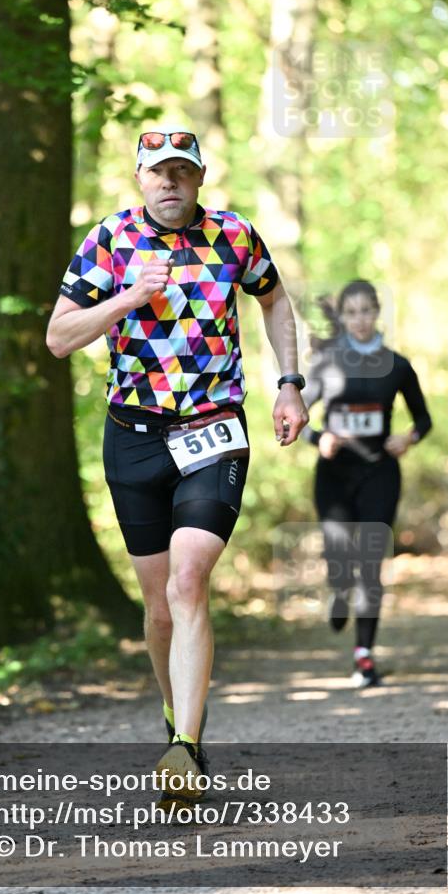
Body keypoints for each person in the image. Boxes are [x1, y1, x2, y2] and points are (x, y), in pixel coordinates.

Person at [46, 125, 308, 802]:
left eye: (180, 172)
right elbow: (57, 338)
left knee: (188, 581)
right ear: (139, 177)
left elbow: (274, 299)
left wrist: (289, 382)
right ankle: (175, 717)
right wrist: (129, 296)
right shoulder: (110, 241)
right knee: (159, 606)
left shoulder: (233, 236)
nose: (169, 183)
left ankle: (184, 750)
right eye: (156, 172)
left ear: (199, 178)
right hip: (132, 435)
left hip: (213, 429)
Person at [302, 280, 432, 687]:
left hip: (380, 474)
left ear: (377, 313)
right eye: (351, 312)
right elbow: (295, 416)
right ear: (342, 317)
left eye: (366, 311)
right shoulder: (327, 364)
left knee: (371, 562)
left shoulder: (397, 365)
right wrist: (318, 438)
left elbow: (423, 420)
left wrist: (406, 438)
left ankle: (364, 657)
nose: (360, 319)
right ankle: (338, 591)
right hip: (335, 477)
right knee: (342, 561)